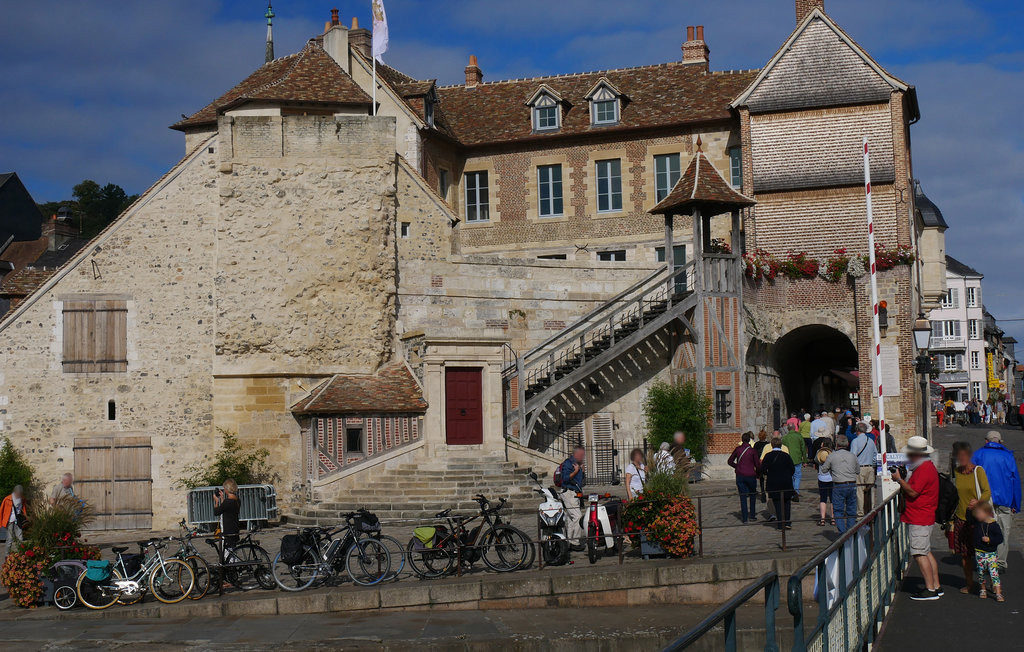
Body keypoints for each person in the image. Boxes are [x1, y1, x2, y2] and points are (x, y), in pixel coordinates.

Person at [893, 436, 942, 600]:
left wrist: (899, 479)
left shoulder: (923, 469)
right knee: (926, 551)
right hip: (924, 514)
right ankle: (935, 585)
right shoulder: (925, 466)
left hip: (920, 516)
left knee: (919, 553)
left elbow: (913, 492)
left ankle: (930, 589)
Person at [971, 431, 1020, 569]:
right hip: (1005, 498)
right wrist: (1015, 503)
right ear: (999, 442)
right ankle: (1000, 562)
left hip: (985, 498)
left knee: (983, 528)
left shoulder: (978, 454)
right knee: (1004, 531)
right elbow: (1015, 481)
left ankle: (985, 562)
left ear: (986, 441)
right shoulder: (1008, 456)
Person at [951, 441, 991, 595]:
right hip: (961, 518)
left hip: (977, 518)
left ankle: (987, 585)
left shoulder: (978, 471)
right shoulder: (956, 472)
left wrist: (978, 501)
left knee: (982, 554)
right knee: (965, 555)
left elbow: (987, 491)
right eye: (958, 455)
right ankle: (969, 584)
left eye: (964, 455)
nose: (961, 458)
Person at [821, 435, 860, 532]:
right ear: (847, 444)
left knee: (838, 510)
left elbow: (824, 469)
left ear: (837, 444)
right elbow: (858, 470)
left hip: (839, 484)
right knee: (851, 510)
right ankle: (850, 531)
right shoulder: (852, 455)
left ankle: (842, 533)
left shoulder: (832, 456)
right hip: (851, 484)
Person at [968, 501, 1005, 602]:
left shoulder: (994, 525)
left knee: (994, 574)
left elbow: (1000, 538)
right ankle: (983, 589)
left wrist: (990, 540)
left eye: (979, 513)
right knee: (981, 572)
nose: (977, 515)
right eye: (976, 513)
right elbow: (969, 519)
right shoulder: (977, 522)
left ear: (987, 512)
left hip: (991, 554)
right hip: (979, 553)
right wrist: (969, 509)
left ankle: (998, 593)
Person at [762, 437, 795, 530]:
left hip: (773, 482)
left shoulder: (768, 456)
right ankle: (787, 522)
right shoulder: (786, 456)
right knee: (787, 502)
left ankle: (781, 523)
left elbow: (763, 469)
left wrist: (770, 474)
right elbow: (792, 469)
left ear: (772, 445)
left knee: (777, 503)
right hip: (786, 482)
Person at [728, 432, 761, 523]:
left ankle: (745, 517)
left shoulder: (738, 449)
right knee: (753, 495)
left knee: (743, 496)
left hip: (740, 475)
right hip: (751, 475)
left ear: (742, 440)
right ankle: (752, 515)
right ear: (749, 440)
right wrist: (758, 474)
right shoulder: (752, 451)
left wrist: (737, 466)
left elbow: (730, 461)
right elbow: (757, 465)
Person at [558, 446, 587, 549]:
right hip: (568, 492)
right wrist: (575, 471)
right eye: (581, 454)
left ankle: (569, 540)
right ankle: (575, 541)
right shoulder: (568, 463)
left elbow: (581, 481)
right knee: (578, 517)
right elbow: (565, 478)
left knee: (571, 518)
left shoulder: (578, 464)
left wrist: (581, 471)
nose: (583, 456)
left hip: (575, 494)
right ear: (576, 454)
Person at [850, 423, 878, 516]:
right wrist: (873, 465)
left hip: (860, 468)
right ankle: (871, 510)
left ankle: (860, 513)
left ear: (857, 430)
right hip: (870, 467)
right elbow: (875, 455)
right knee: (871, 490)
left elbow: (853, 456)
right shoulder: (870, 441)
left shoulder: (855, 441)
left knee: (860, 491)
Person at [213, 478, 242, 558]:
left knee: (228, 553)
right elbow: (225, 509)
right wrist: (222, 498)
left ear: (226, 489)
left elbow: (217, 512)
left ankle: (231, 567)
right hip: (234, 527)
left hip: (228, 530)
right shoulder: (237, 500)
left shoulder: (228, 502)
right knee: (233, 551)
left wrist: (216, 501)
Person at [781, 424, 807, 500]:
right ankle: (796, 491)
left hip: (788, 459)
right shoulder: (799, 436)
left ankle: (792, 492)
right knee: (797, 475)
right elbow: (803, 449)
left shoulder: (785, 438)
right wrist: (805, 460)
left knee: (791, 476)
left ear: (788, 429)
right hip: (797, 458)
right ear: (795, 428)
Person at [813, 438, 835, 527]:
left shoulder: (819, 452)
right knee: (833, 499)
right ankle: (833, 519)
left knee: (823, 499)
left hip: (822, 477)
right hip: (832, 478)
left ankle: (822, 519)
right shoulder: (833, 452)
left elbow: (815, 460)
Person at [0, 485, 27, 555]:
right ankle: (7, 555)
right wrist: (1, 522)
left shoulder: (22, 499)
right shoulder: (7, 499)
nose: (19, 494)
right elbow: (1, 510)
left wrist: (25, 517)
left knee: (20, 538)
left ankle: (21, 554)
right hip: (9, 520)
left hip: (18, 520)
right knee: (10, 539)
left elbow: (23, 509)